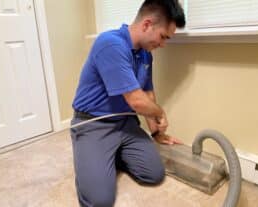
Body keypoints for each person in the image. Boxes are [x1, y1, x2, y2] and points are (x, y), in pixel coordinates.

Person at [70, 0, 185, 206]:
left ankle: (111, 155)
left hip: (126, 123)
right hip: (93, 124)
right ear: (147, 24)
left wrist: (157, 132)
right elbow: (138, 102)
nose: (163, 44)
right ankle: (92, 156)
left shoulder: (145, 55)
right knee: (100, 200)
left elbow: (147, 93)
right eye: (163, 37)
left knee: (154, 174)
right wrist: (161, 112)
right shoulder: (110, 44)